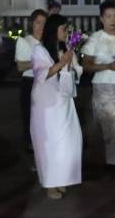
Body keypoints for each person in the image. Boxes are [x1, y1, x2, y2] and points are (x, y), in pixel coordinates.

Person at [31, 14, 83, 198]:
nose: (66, 33)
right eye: (63, 29)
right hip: (47, 103)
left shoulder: (65, 48)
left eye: (67, 30)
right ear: (54, 30)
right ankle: (49, 184)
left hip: (64, 100)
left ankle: (61, 179)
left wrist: (72, 63)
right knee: (49, 143)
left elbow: (78, 70)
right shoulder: (40, 50)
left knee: (66, 141)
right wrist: (63, 62)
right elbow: (42, 74)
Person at [82, 1, 115, 174]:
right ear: (101, 18)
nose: (112, 20)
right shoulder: (96, 38)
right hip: (104, 87)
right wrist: (108, 67)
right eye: (108, 16)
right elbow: (86, 64)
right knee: (107, 126)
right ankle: (107, 163)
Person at [16, 10, 47, 157]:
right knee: (30, 115)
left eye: (44, 23)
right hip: (30, 82)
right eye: (38, 23)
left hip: (47, 82)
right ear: (31, 24)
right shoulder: (24, 41)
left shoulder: (48, 42)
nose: (41, 26)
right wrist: (38, 62)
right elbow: (20, 67)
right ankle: (31, 146)